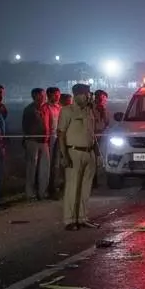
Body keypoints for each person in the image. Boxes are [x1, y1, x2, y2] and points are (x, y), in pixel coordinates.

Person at [58, 84, 98, 230]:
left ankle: (82, 217)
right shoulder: (67, 111)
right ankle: (70, 220)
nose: (89, 97)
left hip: (89, 152)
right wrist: (64, 156)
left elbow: (93, 134)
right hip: (73, 152)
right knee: (72, 187)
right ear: (77, 95)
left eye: (89, 94)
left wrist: (97, 154)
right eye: (86, 94)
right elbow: (61, 134)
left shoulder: (89, 111)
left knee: (85, 188)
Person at [22, 88, 51, 201]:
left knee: (45, 168)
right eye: (41, 95)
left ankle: (42, 192)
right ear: (34, 96)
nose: (43, 97)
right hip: (32, 141)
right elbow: (25, 126)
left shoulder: (46, 108)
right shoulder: (29, 110)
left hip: (44, 142)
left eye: (43, 95)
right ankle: (29, 193)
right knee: (31, 168)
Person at [44, 87, 63, 198]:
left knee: (58, 164)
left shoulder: (59, 108)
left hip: (59, 138)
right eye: (55, 95)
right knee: (51, 164)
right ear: (49, 95)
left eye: (58, 95)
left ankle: (56, 186)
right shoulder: (46, 108)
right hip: (50, 139)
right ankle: (50, 188)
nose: (57, 97)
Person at [92, 90, 111, 187]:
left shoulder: (105, 109)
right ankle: (93, 180)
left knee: (102, 158)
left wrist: (103, 111)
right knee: (93, 159)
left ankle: (101, 178)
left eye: (104, 98)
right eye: (102, 98)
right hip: (93, 135)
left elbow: (107, 122)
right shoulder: (90, 108)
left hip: (103, 135)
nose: (103, 100)